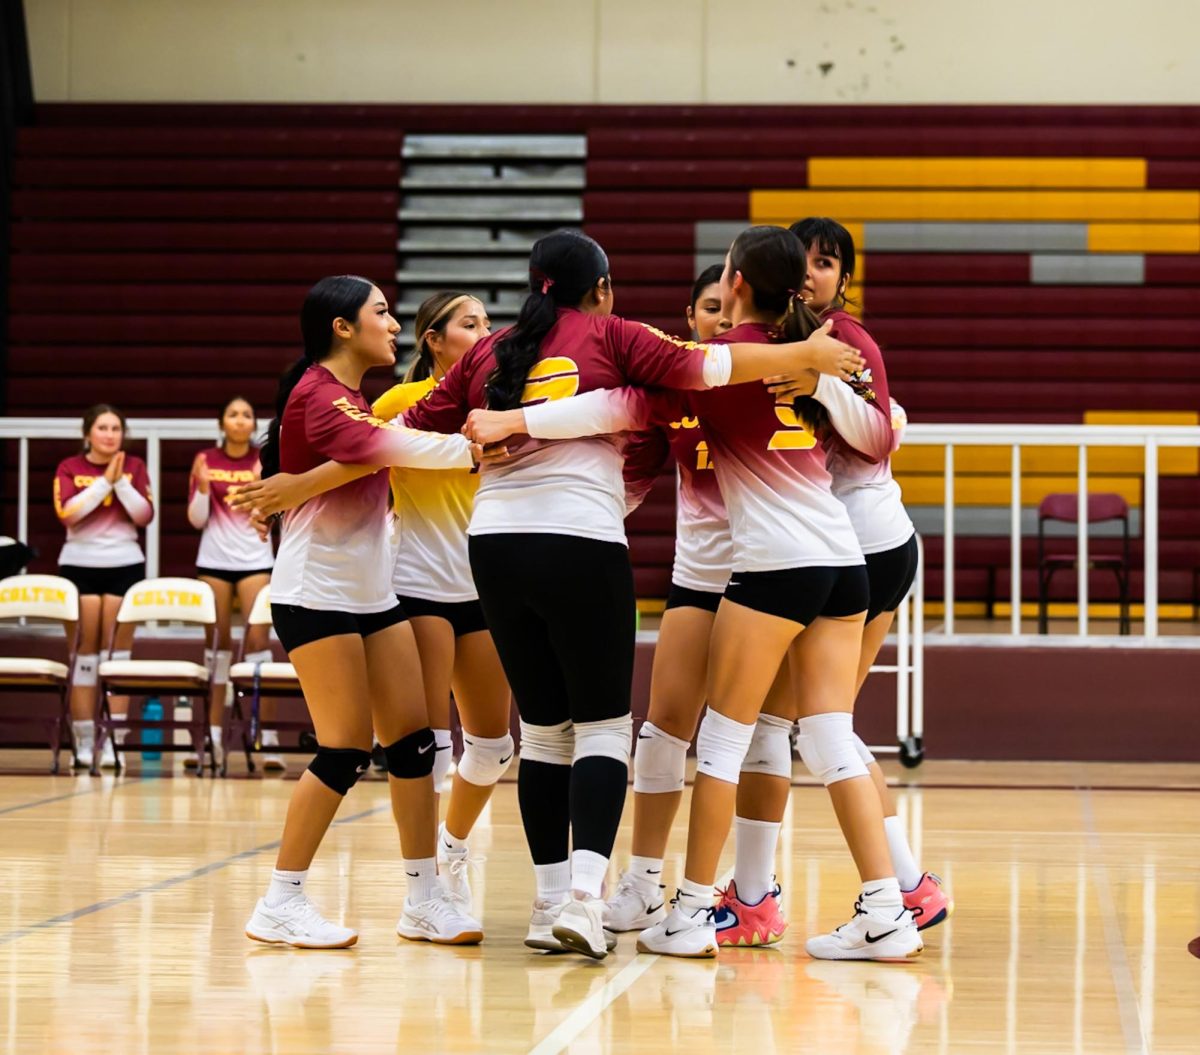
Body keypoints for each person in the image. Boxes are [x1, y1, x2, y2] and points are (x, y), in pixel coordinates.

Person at [398, 227, 861, 960]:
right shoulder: (618, 335)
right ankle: (587, 897)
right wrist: (808, 356)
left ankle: (549, 902)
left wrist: (475, 442)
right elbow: (704, 368)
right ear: (604, 288)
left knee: (545, 733)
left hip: (493, 545)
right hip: (585, 540)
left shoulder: (491, 351)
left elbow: (405, 429)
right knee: (608, 727)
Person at [242, 275, 489, 950]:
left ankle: (423, 896)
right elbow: (397, 447)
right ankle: (280, 899)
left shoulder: (351, 398)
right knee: (346, 747)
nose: (391, 322)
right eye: (380, 312)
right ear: (342, 327)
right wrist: (483, 444)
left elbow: (386, 439)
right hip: (314, 595)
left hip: (373, 594)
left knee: (412, 742)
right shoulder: (318, 396)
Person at [789, 216, 951, 930]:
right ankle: (910, 882)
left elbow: (880, 434)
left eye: (826, 263)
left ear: (844, 281)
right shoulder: (790, 342)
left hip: (865, 545)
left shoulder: (848, 343)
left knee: (818, 726)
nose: (811, 272)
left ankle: (900, 888)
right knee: (827, 725)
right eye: (801, 260)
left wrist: (824, 386)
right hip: (852, 545)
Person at [53, 404, 154, 770]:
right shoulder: (69, 468)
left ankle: (114, 740)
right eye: (103, 428)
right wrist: (104, 483)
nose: (110, 434)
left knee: (117, 655)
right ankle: (82, 740)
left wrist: (121, 482)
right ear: (88, 434)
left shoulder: (136, 468)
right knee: (84, 654)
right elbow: (69, 514)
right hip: (79, 565)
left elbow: (144, 515)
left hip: (124, 564)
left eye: (116, 428)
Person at [187, 396, 280, 771]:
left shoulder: (264, 459)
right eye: (233, 414)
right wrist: (203, 487)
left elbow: (271, 512)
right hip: (213, 562)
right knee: (217, 647)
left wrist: (261, 484)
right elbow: (196, 519)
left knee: (258, 645)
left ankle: (266, 738)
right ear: (222, 423)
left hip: (256, 560)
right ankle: (210, 739)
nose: (240, 420)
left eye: (246, 415)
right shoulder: (205, 460)